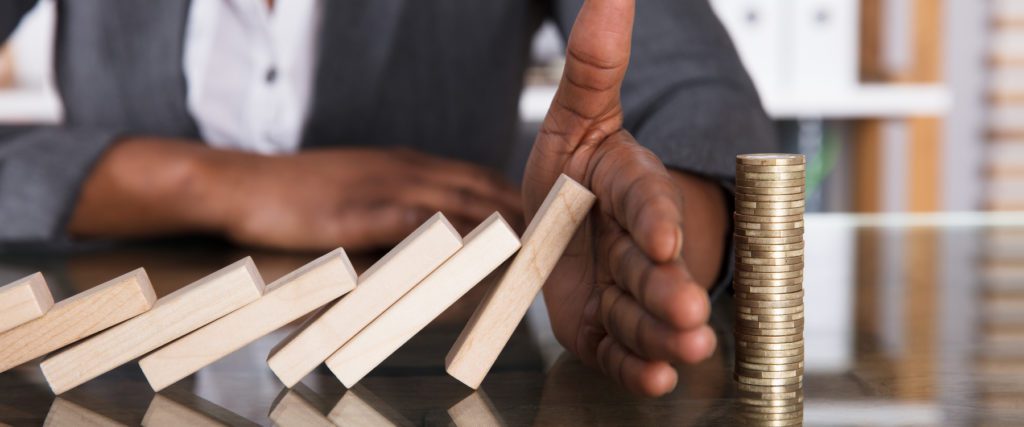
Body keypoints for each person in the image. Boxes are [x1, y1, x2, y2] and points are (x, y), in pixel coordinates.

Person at [0, 0, 775, 396]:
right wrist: (200, 180)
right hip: (122, 375)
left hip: (426, 375)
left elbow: (700, 91)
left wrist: (662, 231)